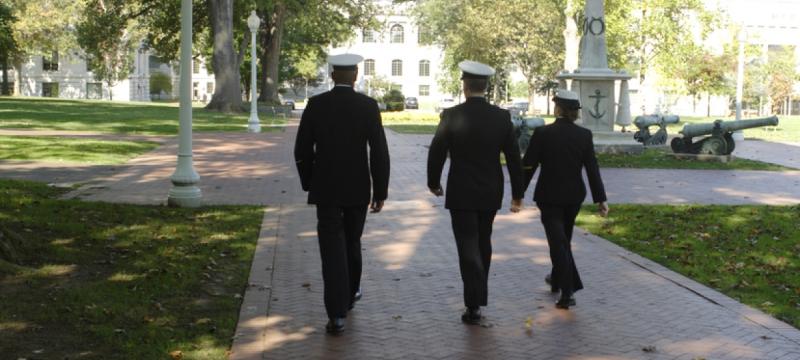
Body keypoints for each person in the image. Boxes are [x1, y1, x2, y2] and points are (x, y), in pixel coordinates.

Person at [294, 53, 390, 334]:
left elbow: (302, 150)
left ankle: (336, 315)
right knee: (351, 242)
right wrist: (380, 189)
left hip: (326, 189)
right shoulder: (368, 106)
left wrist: (309, 182)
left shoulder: (316, 104)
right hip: (358, 188)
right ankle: (348, 296)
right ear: (356, 76)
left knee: (331, 250)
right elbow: (379, 152)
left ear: (333, 75)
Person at [427, 60, 524, 325]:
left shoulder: (452, 115)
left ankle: (473, 303)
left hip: (461, 189)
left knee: (467, 245)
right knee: (484, 241)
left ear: (465, 86)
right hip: (490, 189)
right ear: (486, 86)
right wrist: (518, 194)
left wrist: (433, 181)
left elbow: (437, 151)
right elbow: (514, 158)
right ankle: (478, 297)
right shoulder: (502, 117)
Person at [521, 89, 609, 310]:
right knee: (563, 239)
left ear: (557, 108)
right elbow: (592, 169)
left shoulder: (542, 133)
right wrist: (601, 199)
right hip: (573, 197)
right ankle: (557, 278)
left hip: (549, 196)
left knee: (558, 242)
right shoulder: (584, 135)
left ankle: (567, 292)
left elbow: (529, 165)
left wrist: (517, 193)